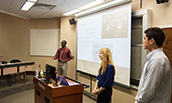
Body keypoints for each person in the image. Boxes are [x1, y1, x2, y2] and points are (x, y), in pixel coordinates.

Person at [134, 27, 171, 103]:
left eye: (145, 38)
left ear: (151, 41)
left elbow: (149, 90)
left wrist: (139, 101)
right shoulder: (155, 58)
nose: (143, 41)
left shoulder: (157, 61)